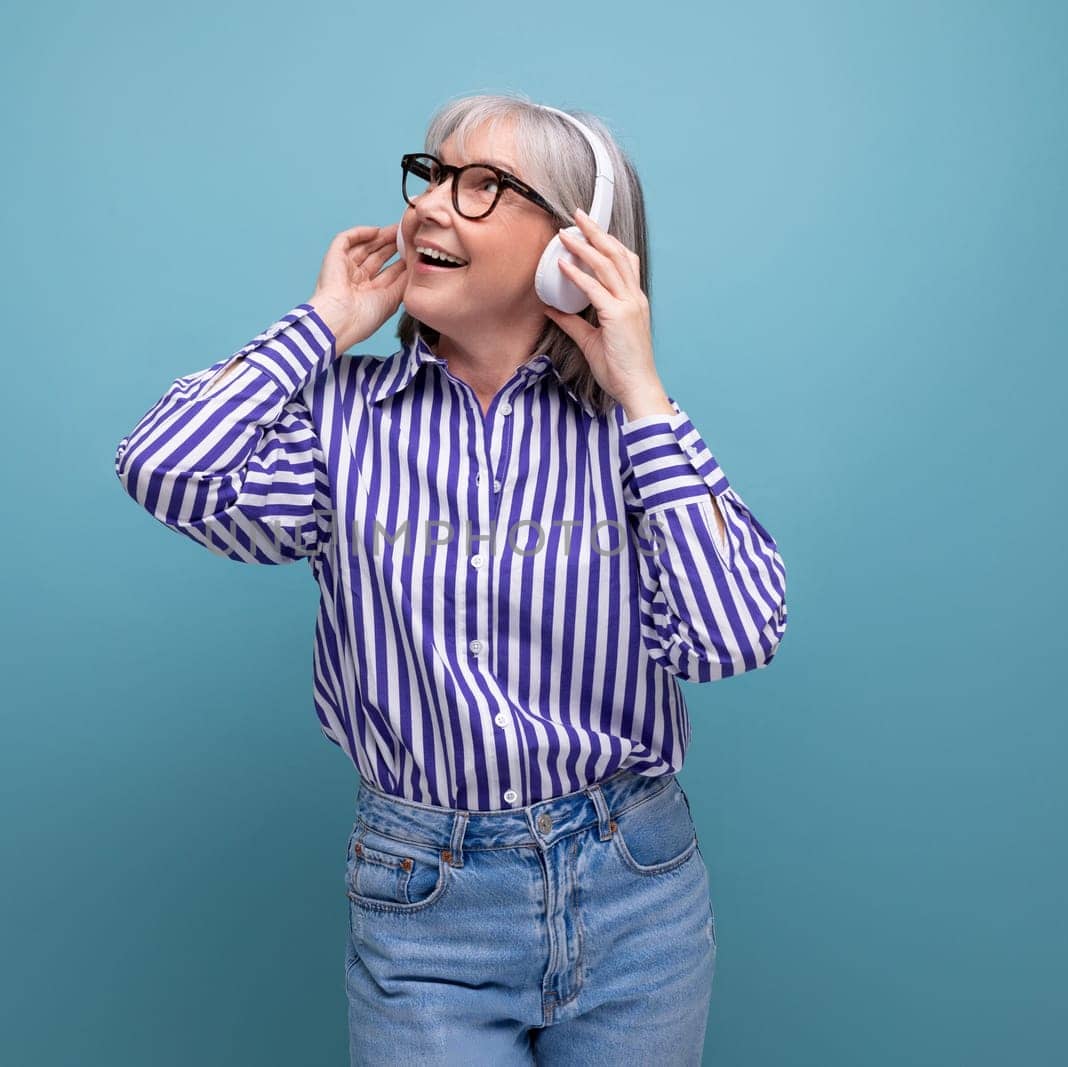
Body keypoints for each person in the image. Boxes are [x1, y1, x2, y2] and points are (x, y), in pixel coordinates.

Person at [114, 92, 788, 1065]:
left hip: (637, 887)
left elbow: (731, 637)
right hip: (425, 902)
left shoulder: (636, 438)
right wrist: (322, 323)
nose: (429, 206)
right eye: (431, 177)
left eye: (481, 188)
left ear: (573, 249)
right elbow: (165, 464)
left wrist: (642, 389)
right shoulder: (338, 423)